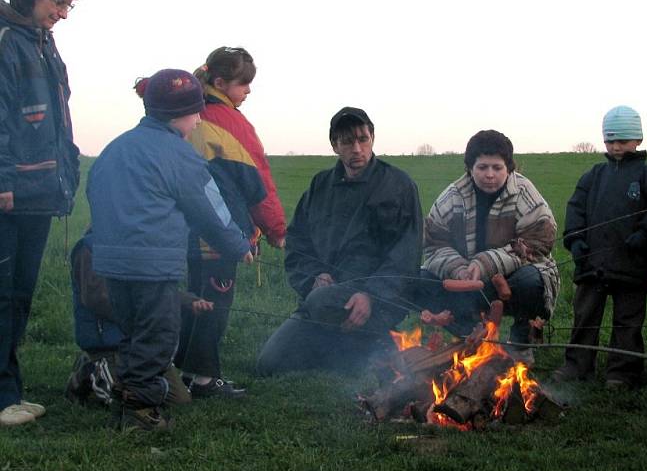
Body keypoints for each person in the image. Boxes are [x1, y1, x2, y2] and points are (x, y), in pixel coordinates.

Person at [87, 69, 253, 431]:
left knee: (133, 334)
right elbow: (210, 208)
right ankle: (141, 415)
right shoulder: (180, 155)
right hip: (152, 266)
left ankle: (125, 396)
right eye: (195, 112)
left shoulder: (116, 148)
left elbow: (95, 195)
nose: (198, 120)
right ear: (179, 114)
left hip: (112, 264)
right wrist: (238, 245)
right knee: (159, 337)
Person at [256, 107, 422, 375]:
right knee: (269, 365)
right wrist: (313, 276)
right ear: (335, 145)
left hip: (378, 300)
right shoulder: (320, 185)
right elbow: (298, 242)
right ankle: (344, 346)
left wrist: (371, 295)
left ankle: (377, 342)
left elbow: (406, 255)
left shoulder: (399, 185)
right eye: (347, 142)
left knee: (324, 306)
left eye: (362, 139)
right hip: (323, 300)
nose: (356, 148)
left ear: (372, 138)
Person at [0, 0, 84, 427]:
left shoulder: (43, 44)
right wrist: (2, 180)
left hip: (36, 191)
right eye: (59, 1)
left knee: (18, 296)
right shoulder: (8, 41)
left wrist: (65, 177)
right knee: (0, 293)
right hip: (9, 192)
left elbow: (58, 123)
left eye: (68, 5)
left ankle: (10, 390)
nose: (62, 13)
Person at [174, 47, 286, 399]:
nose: (248, 91)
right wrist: (276, 228)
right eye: (244, 84)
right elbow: (257, 180)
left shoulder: (189, 114)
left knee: (194, 299)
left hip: (189, 232)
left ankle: (185, 371)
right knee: (215, 304)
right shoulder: (230, 122)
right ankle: (206, 379)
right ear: (221, 82)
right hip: (222, 232)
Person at [556, 106, 647, 389]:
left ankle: (623, 372)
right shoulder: (594, 175)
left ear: (638, 140)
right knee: (584, 316)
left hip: (631, 263)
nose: (616, 147)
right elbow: (575, 208)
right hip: (591, 263)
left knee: (628, 321)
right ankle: (577, 365)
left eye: (622, 141)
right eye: (610, 142)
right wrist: (575, 240)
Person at [419, 130, 560, 344]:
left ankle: (521, 340)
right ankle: (468, 336)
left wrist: (486, 264)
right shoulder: (452, 196)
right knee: (422, 278)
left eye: (497, 167)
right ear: (470, 168)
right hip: (465, 279)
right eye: (482, 167)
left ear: (509, 168)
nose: (490, 175)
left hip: (511, 279)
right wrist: (458, 269)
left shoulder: (523, 192)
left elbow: (539, 241)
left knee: (530, 280)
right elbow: (433, 244)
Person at [64, 230, 213, 408]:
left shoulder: (138, 247)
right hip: (109, 344)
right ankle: (89, 371)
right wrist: (143, 314)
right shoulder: (88, 248)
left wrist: (188, 301)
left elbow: (153, 291)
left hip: (142, 343)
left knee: (179, 400)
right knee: (124, 400)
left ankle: (117, 375)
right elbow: (97, 299)